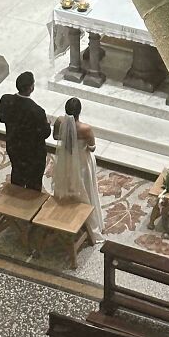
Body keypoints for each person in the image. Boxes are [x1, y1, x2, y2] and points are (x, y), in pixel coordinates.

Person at [52, 97, 103, 245]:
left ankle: (65, 212)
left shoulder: (59, 122)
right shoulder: (85, 129)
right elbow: (92, 147)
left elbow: (55, 137)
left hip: (66, 160)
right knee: (85, 189)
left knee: (67, 184)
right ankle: (88, 222)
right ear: (79, 111)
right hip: (82, 163)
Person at [0, 71, 51, 191]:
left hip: (14, 146)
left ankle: (15, 196)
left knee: (17, 174)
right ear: (31, 88)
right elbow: (45, 133)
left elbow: (3, 118)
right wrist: (47, 124)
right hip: (33, 153)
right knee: (34, 182)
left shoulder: (5, 100)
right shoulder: (37, 111)